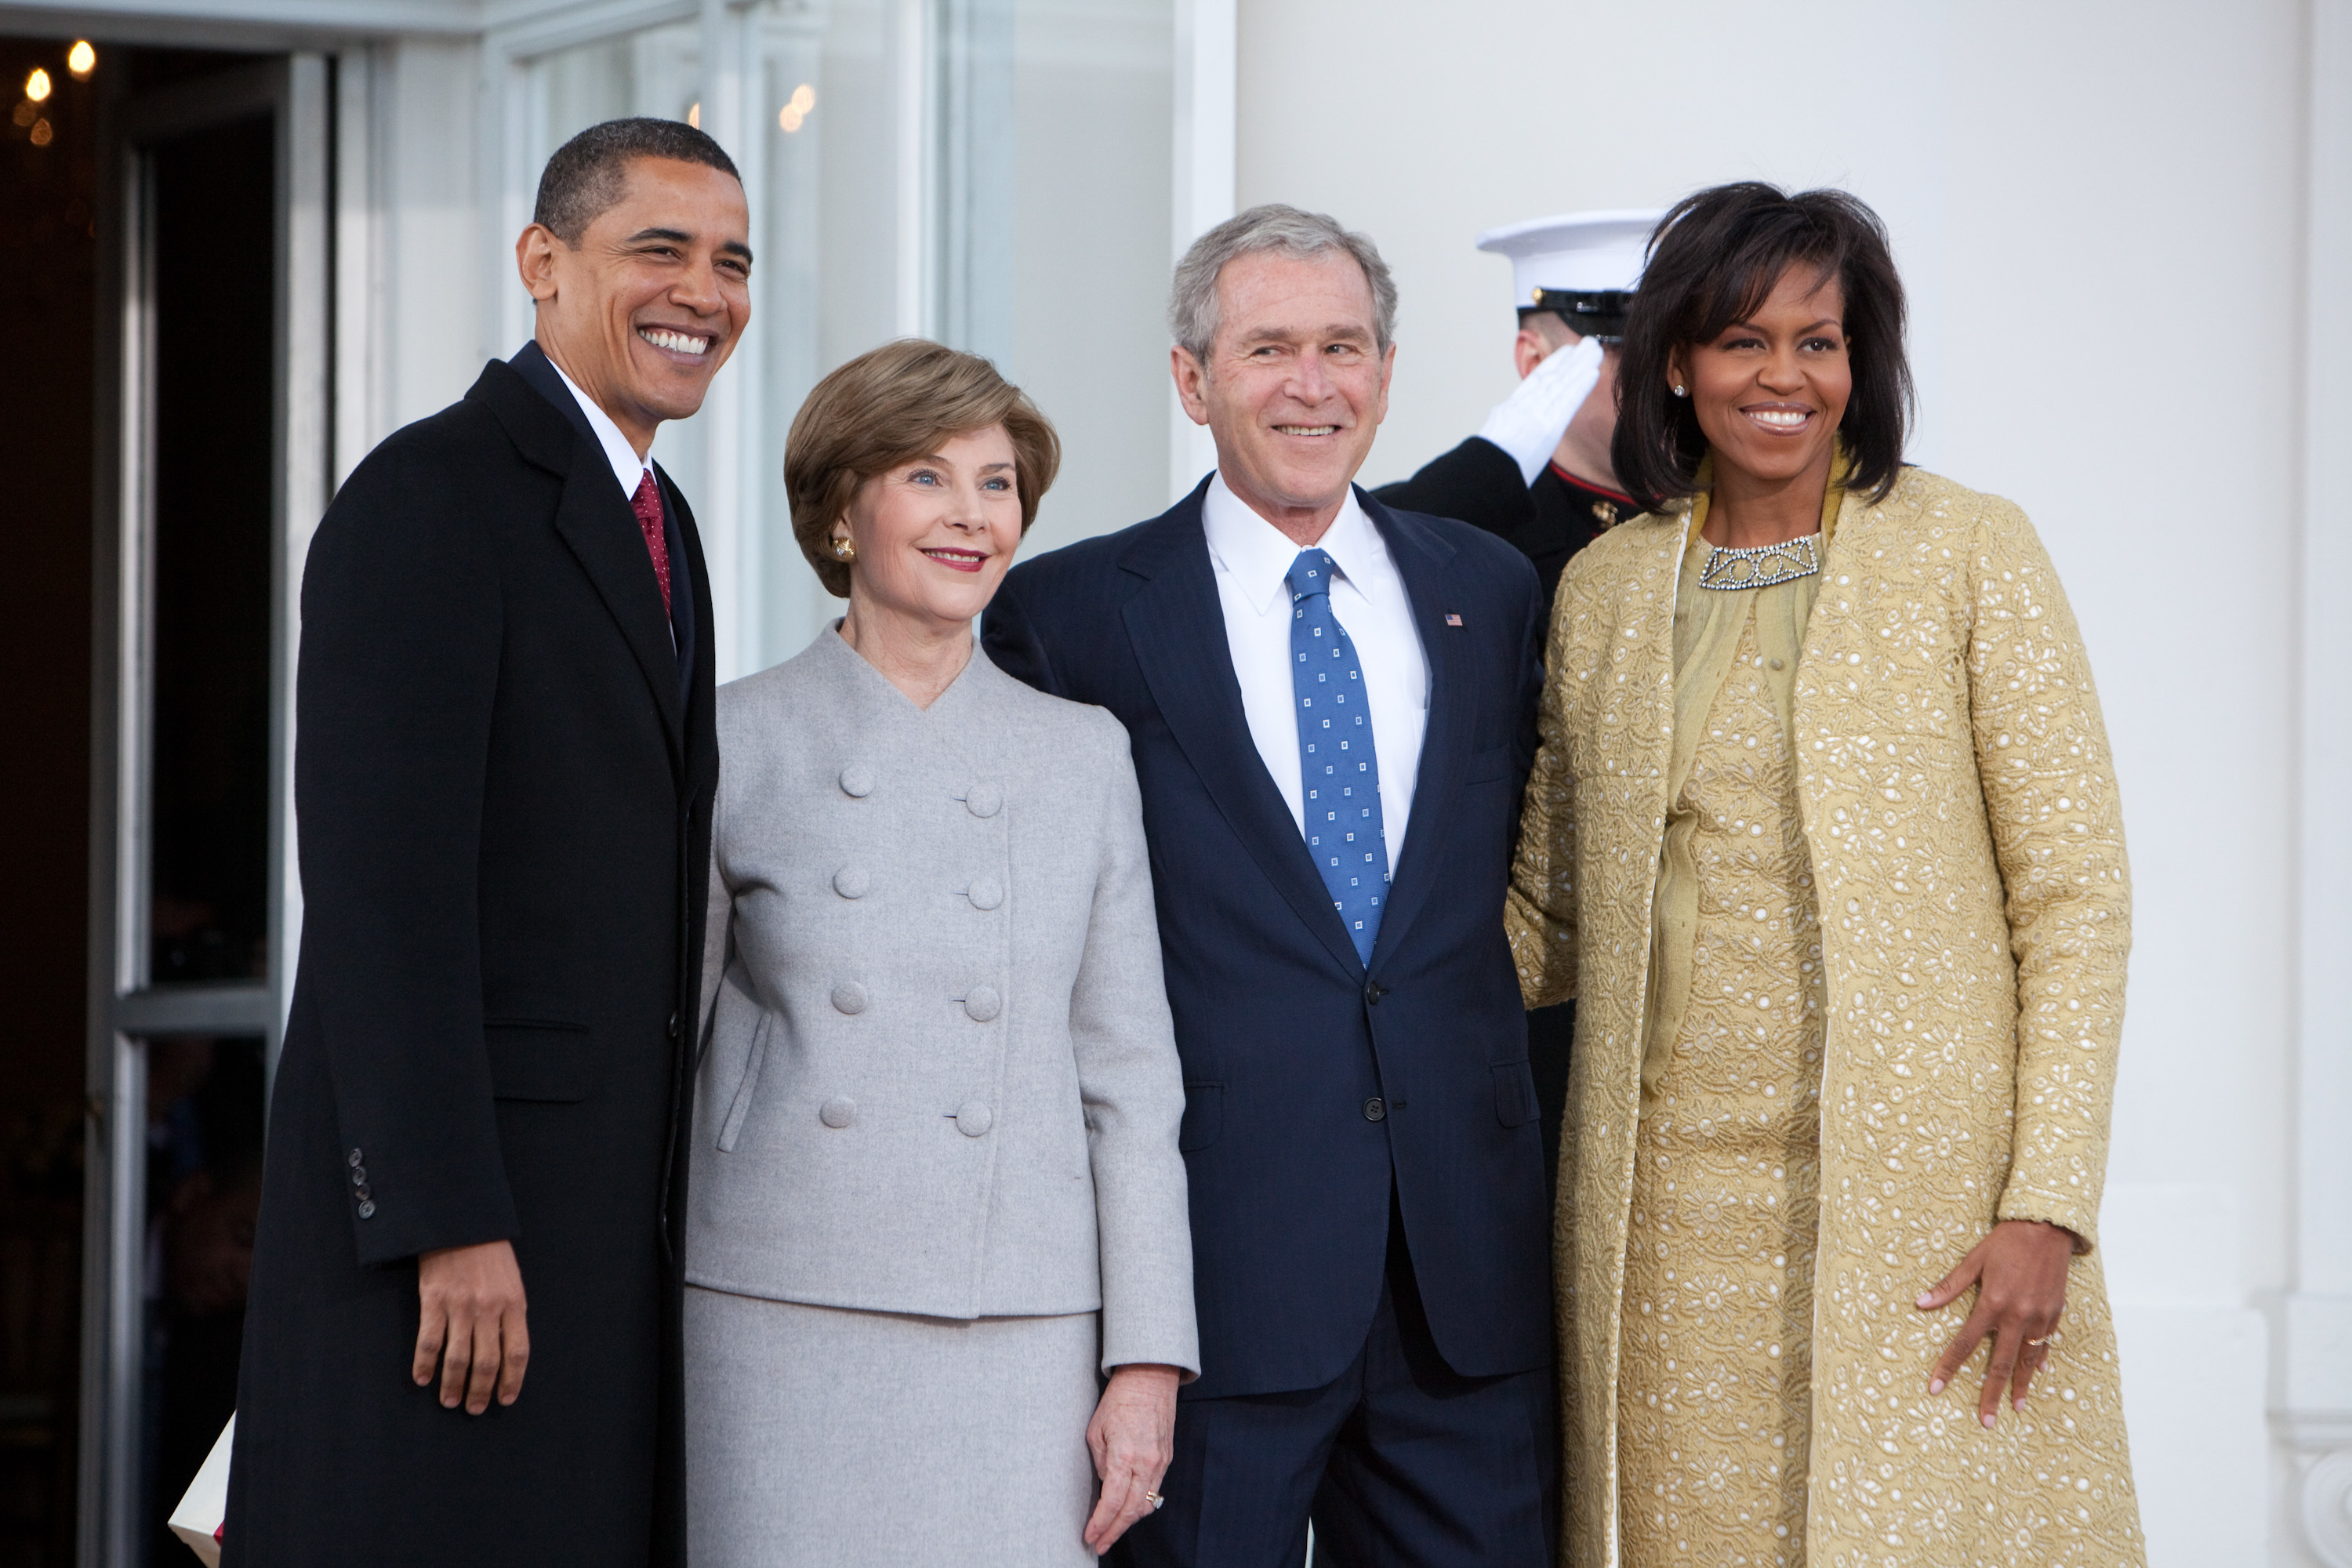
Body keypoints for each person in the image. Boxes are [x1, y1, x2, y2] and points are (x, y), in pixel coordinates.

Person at [1508, 182, 2145, 1565]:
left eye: (1820, 341)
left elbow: (2076, 902)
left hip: (1925, 1203)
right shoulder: (1605, 593)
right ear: (1674, 360)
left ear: (1862, 364)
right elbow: (1552, 914)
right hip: (1663, 1218)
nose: (1783, 378)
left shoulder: (1968, 551)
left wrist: (2048, 1204)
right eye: (1743, 341)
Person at [984, 205, 1557, 1566]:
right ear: (1193, 381)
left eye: (1344, 347)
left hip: (1462, 1300)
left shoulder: (1489, 589)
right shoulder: (1070, 617)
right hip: (1207, 1295)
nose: (1315, 384)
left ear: (1389, 368)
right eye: (1271, 349)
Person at [226, 118, 746, 1566]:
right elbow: (383, 897)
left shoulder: (666, 523)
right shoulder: (432, 494)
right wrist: (444, 1220)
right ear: (542, 262)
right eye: (660, 249)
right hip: (460, 1247)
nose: (702, 292)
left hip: (597, 1237)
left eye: (731, 261)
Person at [684, 339, 1197, 1566]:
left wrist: (1148, 1359)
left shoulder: (1082, 754)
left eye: (998, 482)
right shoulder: (731, 739)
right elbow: (666, 1043)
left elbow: (1130, 1079)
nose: (973, 514)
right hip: (774, 1306)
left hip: (1020, 1324)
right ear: (842, 513)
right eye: (926, 476)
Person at [1374, 208, 1661, 1193]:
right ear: (1533, 357)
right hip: (1520, 988)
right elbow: (1344, 553)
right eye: (1615, 351)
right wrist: (1495, 463)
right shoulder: (1475, 528)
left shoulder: (1726, 522)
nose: (1656, 381)